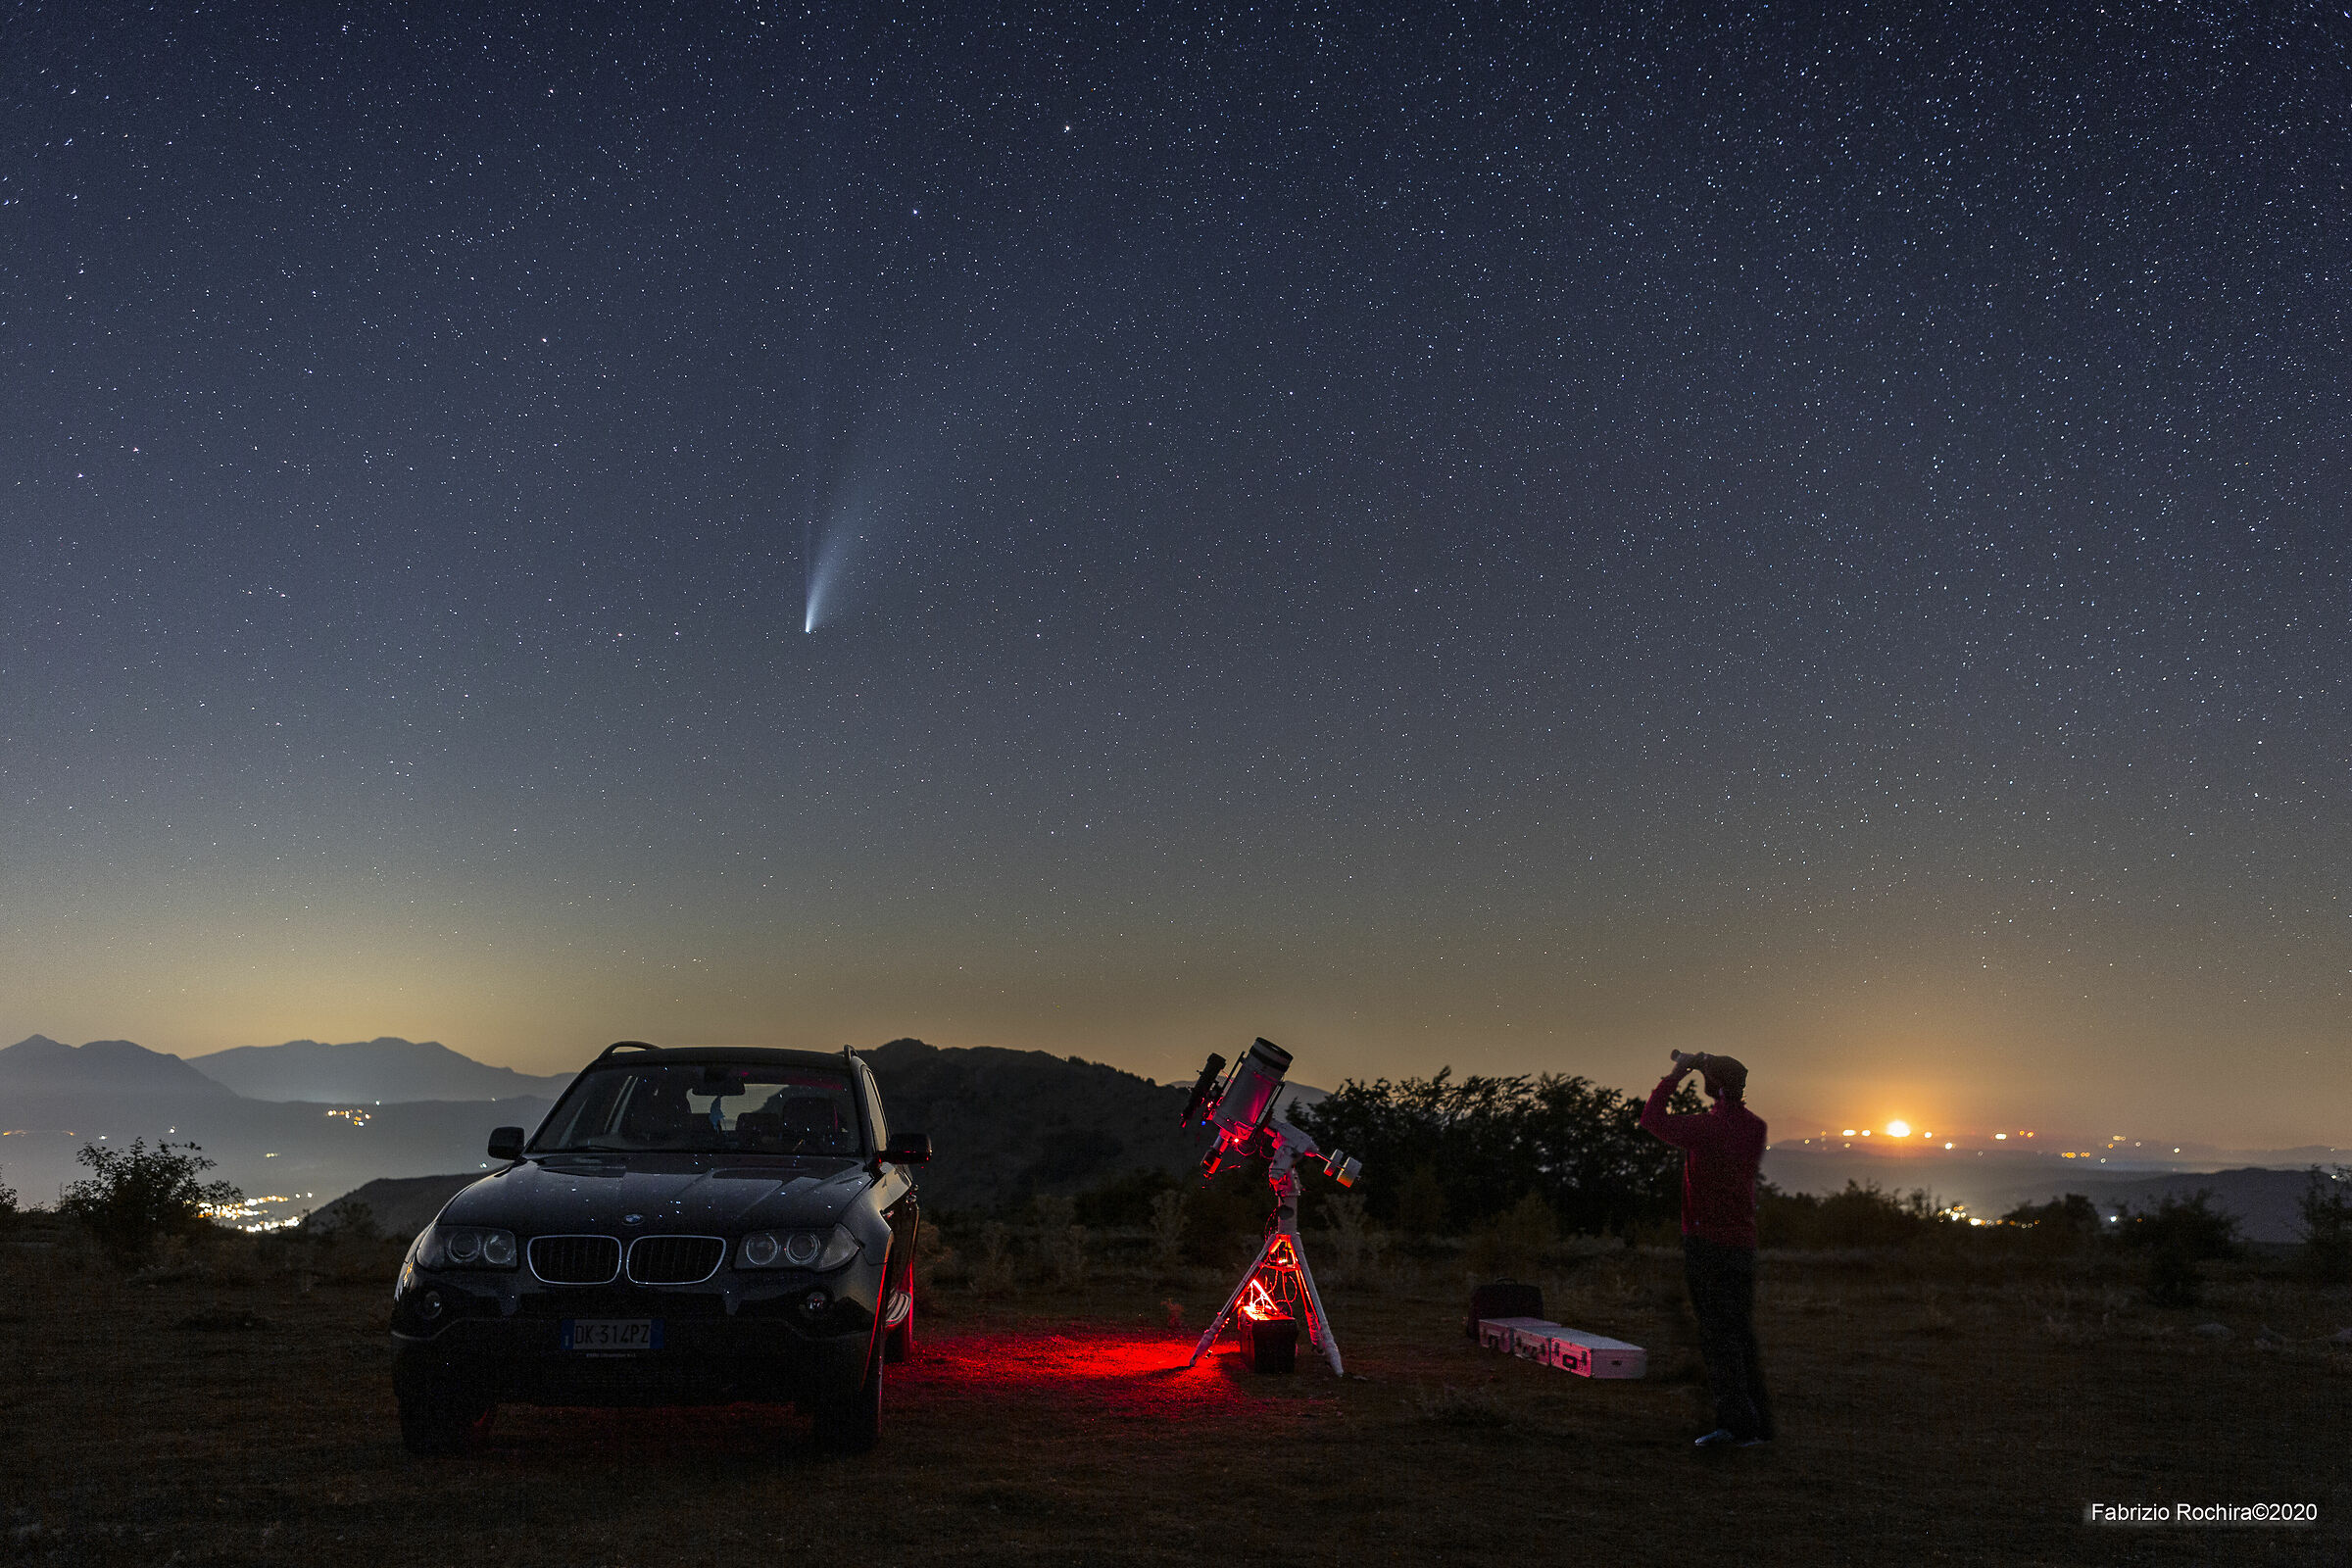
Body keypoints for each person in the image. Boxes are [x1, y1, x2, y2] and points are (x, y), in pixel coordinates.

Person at [1641, 1050, 1772, 1448]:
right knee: (1738, 1333)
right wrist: (1711, 1070)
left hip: (1708, 1243)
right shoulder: (1755, 1127)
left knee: (1718, 1337)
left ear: (1711, 1086)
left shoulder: (1706, 1129)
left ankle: (1735, 1427)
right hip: (1741, 1243)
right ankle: (1753, 1424)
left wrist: (1677, 1073)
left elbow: (1652, 1119)